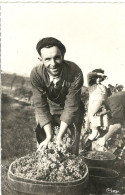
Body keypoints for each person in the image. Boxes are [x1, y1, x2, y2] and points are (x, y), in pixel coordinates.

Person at [30, 37, 84, 155]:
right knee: (44, 142)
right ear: (41, 59)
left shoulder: (75, 72)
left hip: (72, 108)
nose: (53, 64)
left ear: (63, 56)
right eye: (47, 59)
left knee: (69, 146)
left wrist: (59, 136)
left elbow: (71, 106)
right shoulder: (36, 74)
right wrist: (49, 135)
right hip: (50, 106)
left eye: (57, 58)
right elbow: (40, 105)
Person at [85, 69, 108, 149]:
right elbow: (89, 75)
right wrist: (99, 73)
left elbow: (105, 99)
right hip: (93, 111)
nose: (99, 79)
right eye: (97, 77)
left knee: (101, 132)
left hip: (101, 111)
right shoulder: (92, 86)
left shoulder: (104, 87)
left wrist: (105, 110)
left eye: (101, 78)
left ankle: (96, 149)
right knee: (94, 132)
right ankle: (86, 147)